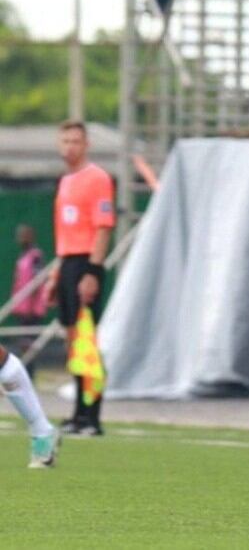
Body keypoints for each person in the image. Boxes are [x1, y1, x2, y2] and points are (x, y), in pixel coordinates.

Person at [44, 121, 114, 436]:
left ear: (86, 145)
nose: (70, 146)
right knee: (74, 343)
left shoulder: (97, 179)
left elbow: (103, 227)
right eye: (66, 141)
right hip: (69, 263)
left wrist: (92, 272)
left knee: (87, 341)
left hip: (87, 262)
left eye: (76, 141)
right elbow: (65, 235)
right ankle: (78, 414)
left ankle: (93, 416)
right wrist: (56, 276)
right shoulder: (66, 182)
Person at [11, 225, 47, 328]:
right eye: (19, 236)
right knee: (23, 340)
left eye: (23, 235)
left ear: (31, 237)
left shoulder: (36, 256)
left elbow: (38, 281)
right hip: (23, 306)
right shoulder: (23, 255)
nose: (20, 239)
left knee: (30, 340)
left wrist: (31, 306)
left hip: (32, 308)